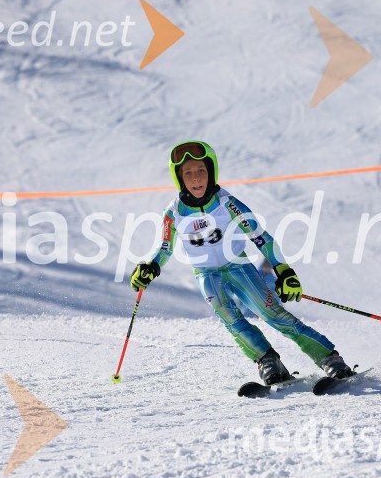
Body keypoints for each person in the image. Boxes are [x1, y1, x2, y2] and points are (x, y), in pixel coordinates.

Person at [129, 141, 354, 385]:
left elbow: (261, 238)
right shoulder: (175, 212)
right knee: (232, 321)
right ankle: (268, 360)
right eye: (188, 173)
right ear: (179, 178)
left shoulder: (228, 203)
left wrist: (284, 271)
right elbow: (164, 248)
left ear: (211, 171)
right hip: (206, 275)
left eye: (201, 171)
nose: (196, 179)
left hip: (239, 268)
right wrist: (150, 266)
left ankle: (329, 358)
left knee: (272, 314)